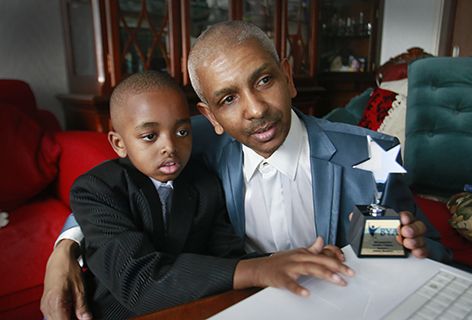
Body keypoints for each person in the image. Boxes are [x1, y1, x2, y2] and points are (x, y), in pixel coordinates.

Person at [41, 21, 450, 320]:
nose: (254, 109)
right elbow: (121, 181)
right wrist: (65, 248)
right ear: (210, 116)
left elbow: (431, 249)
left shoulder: (371, 153)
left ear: (288, 77)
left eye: (265, 80)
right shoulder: (192, 143)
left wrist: (418, 247)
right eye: (228, 98)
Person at [52, 70, 353, 319]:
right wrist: (261, 268)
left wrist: (294, 261)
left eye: (182, 132)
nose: (169, 146)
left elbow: (229, 258)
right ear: (119, 143)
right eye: (149, 136)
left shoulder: (203, 183)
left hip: (192, 309)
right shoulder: (96, 189)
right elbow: (139, 282)